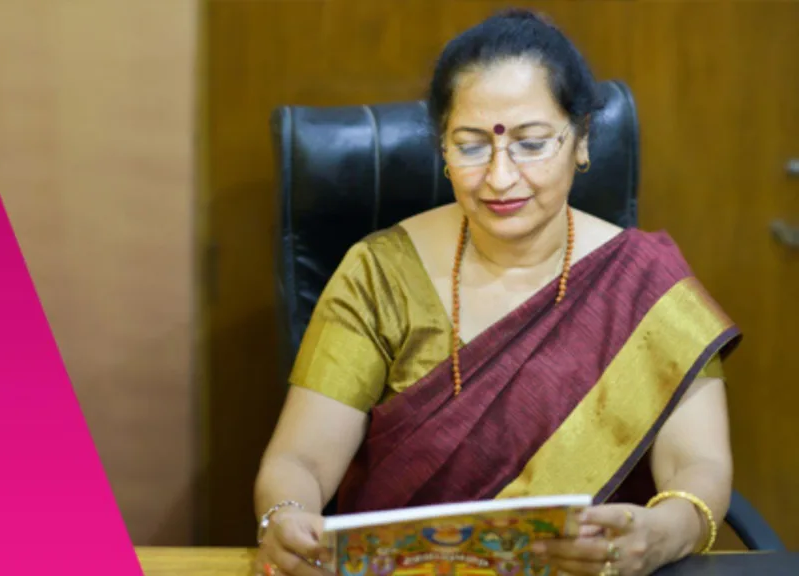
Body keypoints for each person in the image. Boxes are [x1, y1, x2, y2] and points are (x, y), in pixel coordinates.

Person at [252, 9, 739, 576]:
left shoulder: (646, 282)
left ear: (581, 140)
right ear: (442, 147)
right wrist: (285, 515)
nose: (501, 178)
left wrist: (659, 534)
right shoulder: (379, 274)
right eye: (472, 146)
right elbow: (300, 460)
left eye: (532, 144)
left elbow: (699, 468)